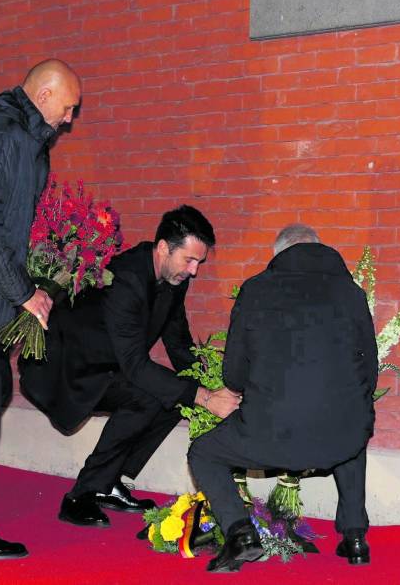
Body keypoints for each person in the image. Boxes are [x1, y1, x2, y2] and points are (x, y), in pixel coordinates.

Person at [19, 205, 241, 528]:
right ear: (163, 248)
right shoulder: (126, 279)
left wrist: (207, 379)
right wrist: (205, 397)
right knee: (151, 396)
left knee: (176, 395)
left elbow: (177, 341)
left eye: (199, 263)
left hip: (112, 365)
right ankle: (81, 496)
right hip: (72, 369)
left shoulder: (174, 278)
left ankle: (109, 481)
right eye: (189, 260)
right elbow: (136, 366)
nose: (194, 271)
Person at [188, 223, 378, 573]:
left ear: (278, 255)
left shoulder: (255, 290)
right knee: (350, 422)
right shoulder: (352, 294)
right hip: (337, 439)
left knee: (203, 452)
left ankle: (241, 533)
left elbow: (233, 375)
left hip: (269, 438)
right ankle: (355, 538)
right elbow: (369, 371)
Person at [0, 59, 81, 560]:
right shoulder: (5, 136)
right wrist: (25, 292)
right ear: (45, 96)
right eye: (68, 107)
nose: (70, 119)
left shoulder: (7, 131)